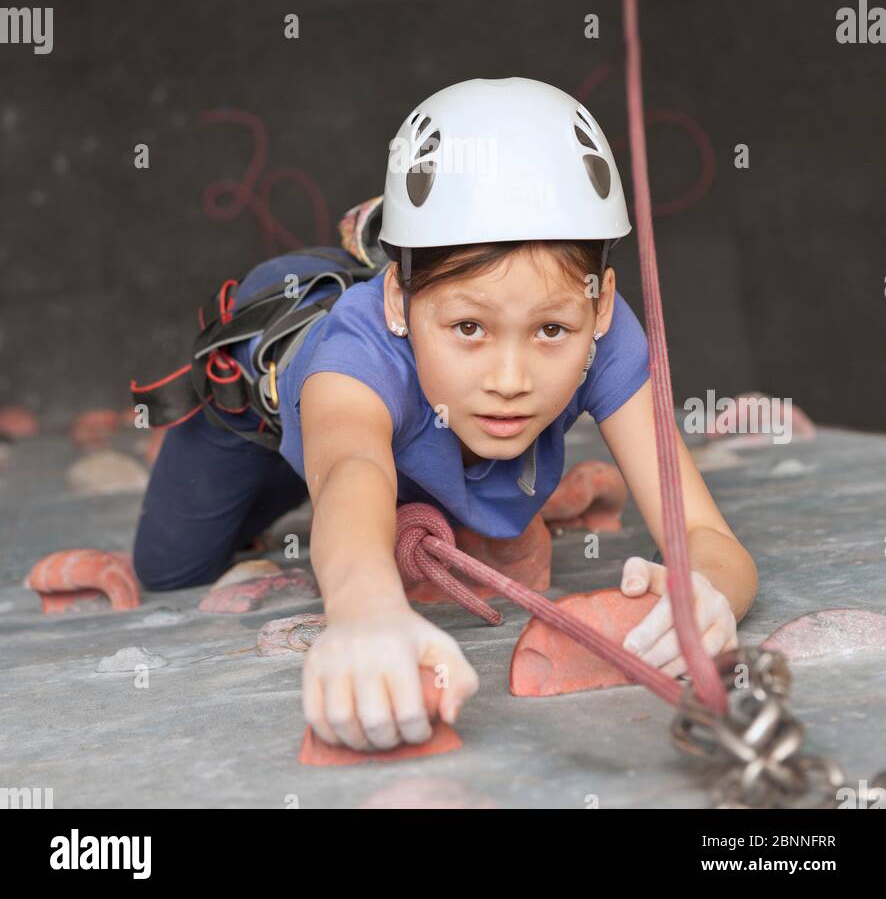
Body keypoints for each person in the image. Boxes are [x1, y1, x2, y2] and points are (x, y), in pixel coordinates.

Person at [133, 77, 758, 751]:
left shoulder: (608, 335)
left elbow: (706, 534)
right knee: (173, 568)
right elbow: (348, 465)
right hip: (274, 419)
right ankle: (352, 488)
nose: (511, 382)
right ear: (400, 301)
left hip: (411, 427)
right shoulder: (361, 346)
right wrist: (366, 610)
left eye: (551, 331)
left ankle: (432, 484)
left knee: (432, 475)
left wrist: (710, 593)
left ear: (600, 305)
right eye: (468, 327)